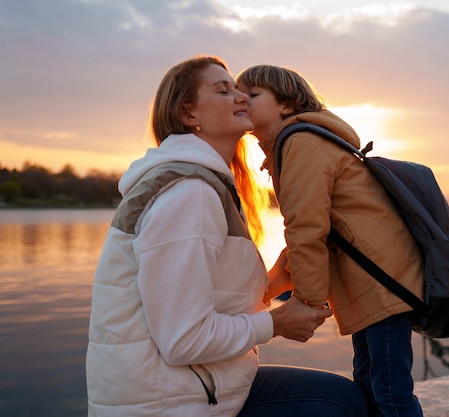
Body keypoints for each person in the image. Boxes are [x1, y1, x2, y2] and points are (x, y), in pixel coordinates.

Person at [85, 55, 367, 417]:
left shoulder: (202, 184)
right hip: (166, 404)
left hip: (194, 386)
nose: (240, 97)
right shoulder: (188, 195)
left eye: (239, 88)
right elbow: (182, 339)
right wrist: (277, 323)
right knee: (340, 405)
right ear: (190, 115)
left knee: (341, 397)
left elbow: (199, 299)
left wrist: (268, 285)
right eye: (224, 90)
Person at [236, 64, 425, 417]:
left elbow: (306, 228)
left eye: (252, 94)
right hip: (375, 282)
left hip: (380, 283)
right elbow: (306, 234)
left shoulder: (300, 142)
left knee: (390, 392)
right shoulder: (294, 143)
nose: (239, 99)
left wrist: (307, 300)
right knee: (372, 386)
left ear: (287, 105)